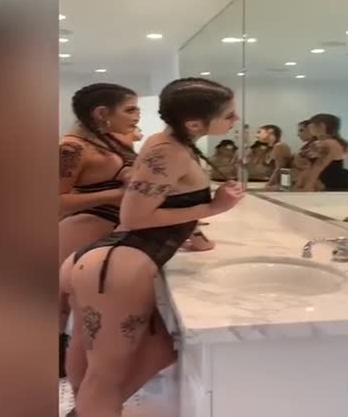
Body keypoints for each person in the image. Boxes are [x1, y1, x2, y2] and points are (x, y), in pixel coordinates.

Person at [59, 77, 243, 417]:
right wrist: (214, 207)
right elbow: (134, 217)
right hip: (116, 265)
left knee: (116, 359)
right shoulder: (167, 151)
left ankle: (84, 409)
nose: (236, 120)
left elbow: (166, 203)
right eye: (229, 115)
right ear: (194, 123)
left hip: (107, 262)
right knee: (106, 378)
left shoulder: (173, 145)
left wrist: (196, 232)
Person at [58, 83, 140, 379]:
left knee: (78, 311)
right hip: (80, 229)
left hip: (104, 232)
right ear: (102, 113)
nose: (137, 116)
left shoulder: (105, 141)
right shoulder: (71, 148)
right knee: (62, 307)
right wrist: (115, 195)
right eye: (130, 109)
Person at [298, 113, 348, 191]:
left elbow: (318, 166)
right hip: (333, 184)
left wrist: (308, 187)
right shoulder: (321, 143)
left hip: (344, 186)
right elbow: (310, 167)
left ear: (322, 126)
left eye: (311, 124)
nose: (309, 127)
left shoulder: (330, 144)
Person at [291, 120, 318, 187]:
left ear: (311, 130)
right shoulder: (306, 146)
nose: (298, 134)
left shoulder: (317, 146)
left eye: (301, 130)